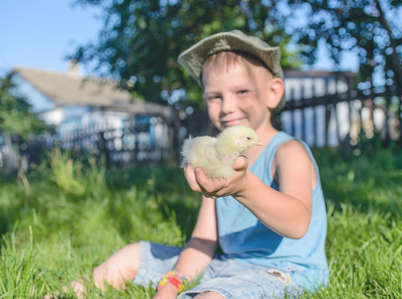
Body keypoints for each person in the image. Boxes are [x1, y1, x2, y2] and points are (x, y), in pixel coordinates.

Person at [54, 30, 328, 299]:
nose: (227, 106)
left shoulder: (287, 151)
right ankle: (64, 294)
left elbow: (297, 223)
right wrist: (172, 281)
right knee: (133, 255)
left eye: (242, 91)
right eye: (215, 96)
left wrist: (244, 187)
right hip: (227, 266)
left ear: (273, 92)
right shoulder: (220, 162)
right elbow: (202, 242)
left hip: (284, 271)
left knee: (212, 297)